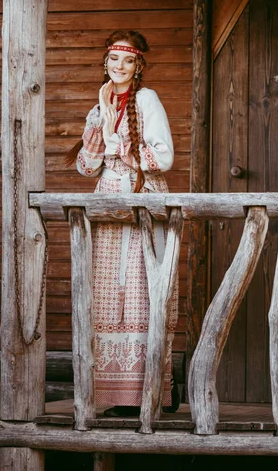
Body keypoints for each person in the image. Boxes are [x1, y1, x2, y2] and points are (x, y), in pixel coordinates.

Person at [67, 30, 178, 417]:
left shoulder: (146, 100)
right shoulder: (99, 105)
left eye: (128, 61)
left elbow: (163, 158)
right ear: (105, 63)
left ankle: (148, 389)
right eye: (114, 60)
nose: (119, 67)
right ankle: (111, 392)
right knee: (106, 292)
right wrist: (97, 136)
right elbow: (86, 167)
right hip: (107, 200)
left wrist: (124, 151)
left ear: (138, 66)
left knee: (142, 290)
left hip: (140, 197)